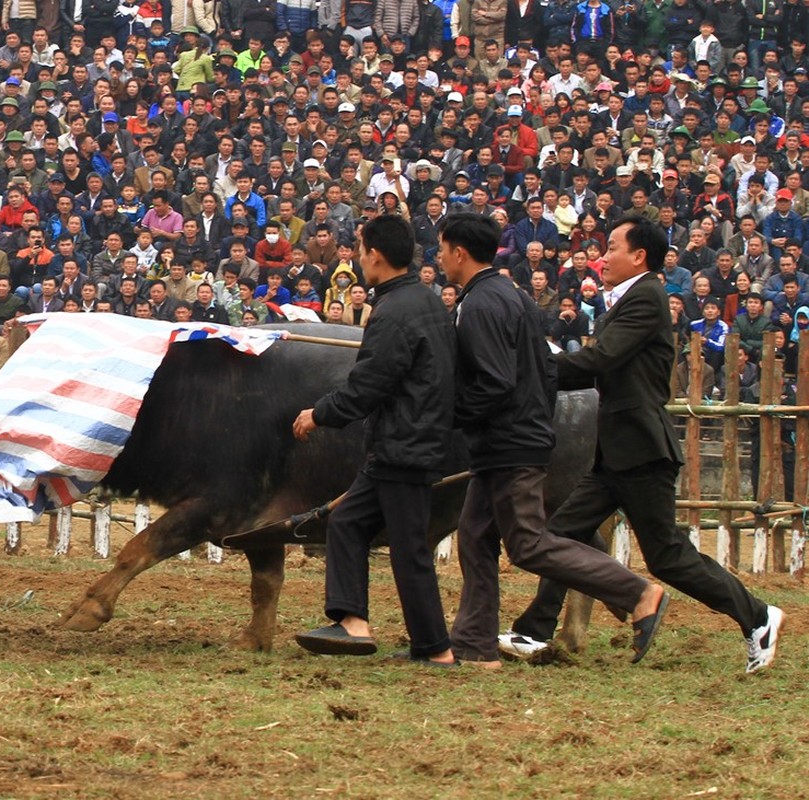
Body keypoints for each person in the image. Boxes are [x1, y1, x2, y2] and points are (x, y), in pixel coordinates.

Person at [499, 215, 784, 674]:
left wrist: (537, 368)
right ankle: (533, 631)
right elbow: (599, 365)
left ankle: (758, 617)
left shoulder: (646, 298)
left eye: (611, 247)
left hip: (642, 450)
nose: (602, 257)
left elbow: (601, 358)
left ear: (639, 256)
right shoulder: (630, 301)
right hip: (616, 452)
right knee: (560, 535)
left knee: (667, 556)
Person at [440, 213, 667, 668]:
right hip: (507, 438)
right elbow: (537, 367)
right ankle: (475, 644)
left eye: (442, 249)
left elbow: (496, 382)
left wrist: (446, 414)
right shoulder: (510, 295)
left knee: (527, 543)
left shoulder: (481, 304)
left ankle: (639, 592)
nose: (440, 257)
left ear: (459, 252)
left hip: (509, 439)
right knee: (476, 536)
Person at [291, 215, 458, 666]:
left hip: (403, 446)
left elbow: (368, 385)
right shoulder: (424, 301)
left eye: (361, 249)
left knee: (409, 550)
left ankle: (435, 648)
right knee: (348, 524)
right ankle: (353, 622)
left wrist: (318, 414)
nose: (359, 257)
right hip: (407, 443)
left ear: (376, 256)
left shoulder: (393, 312)